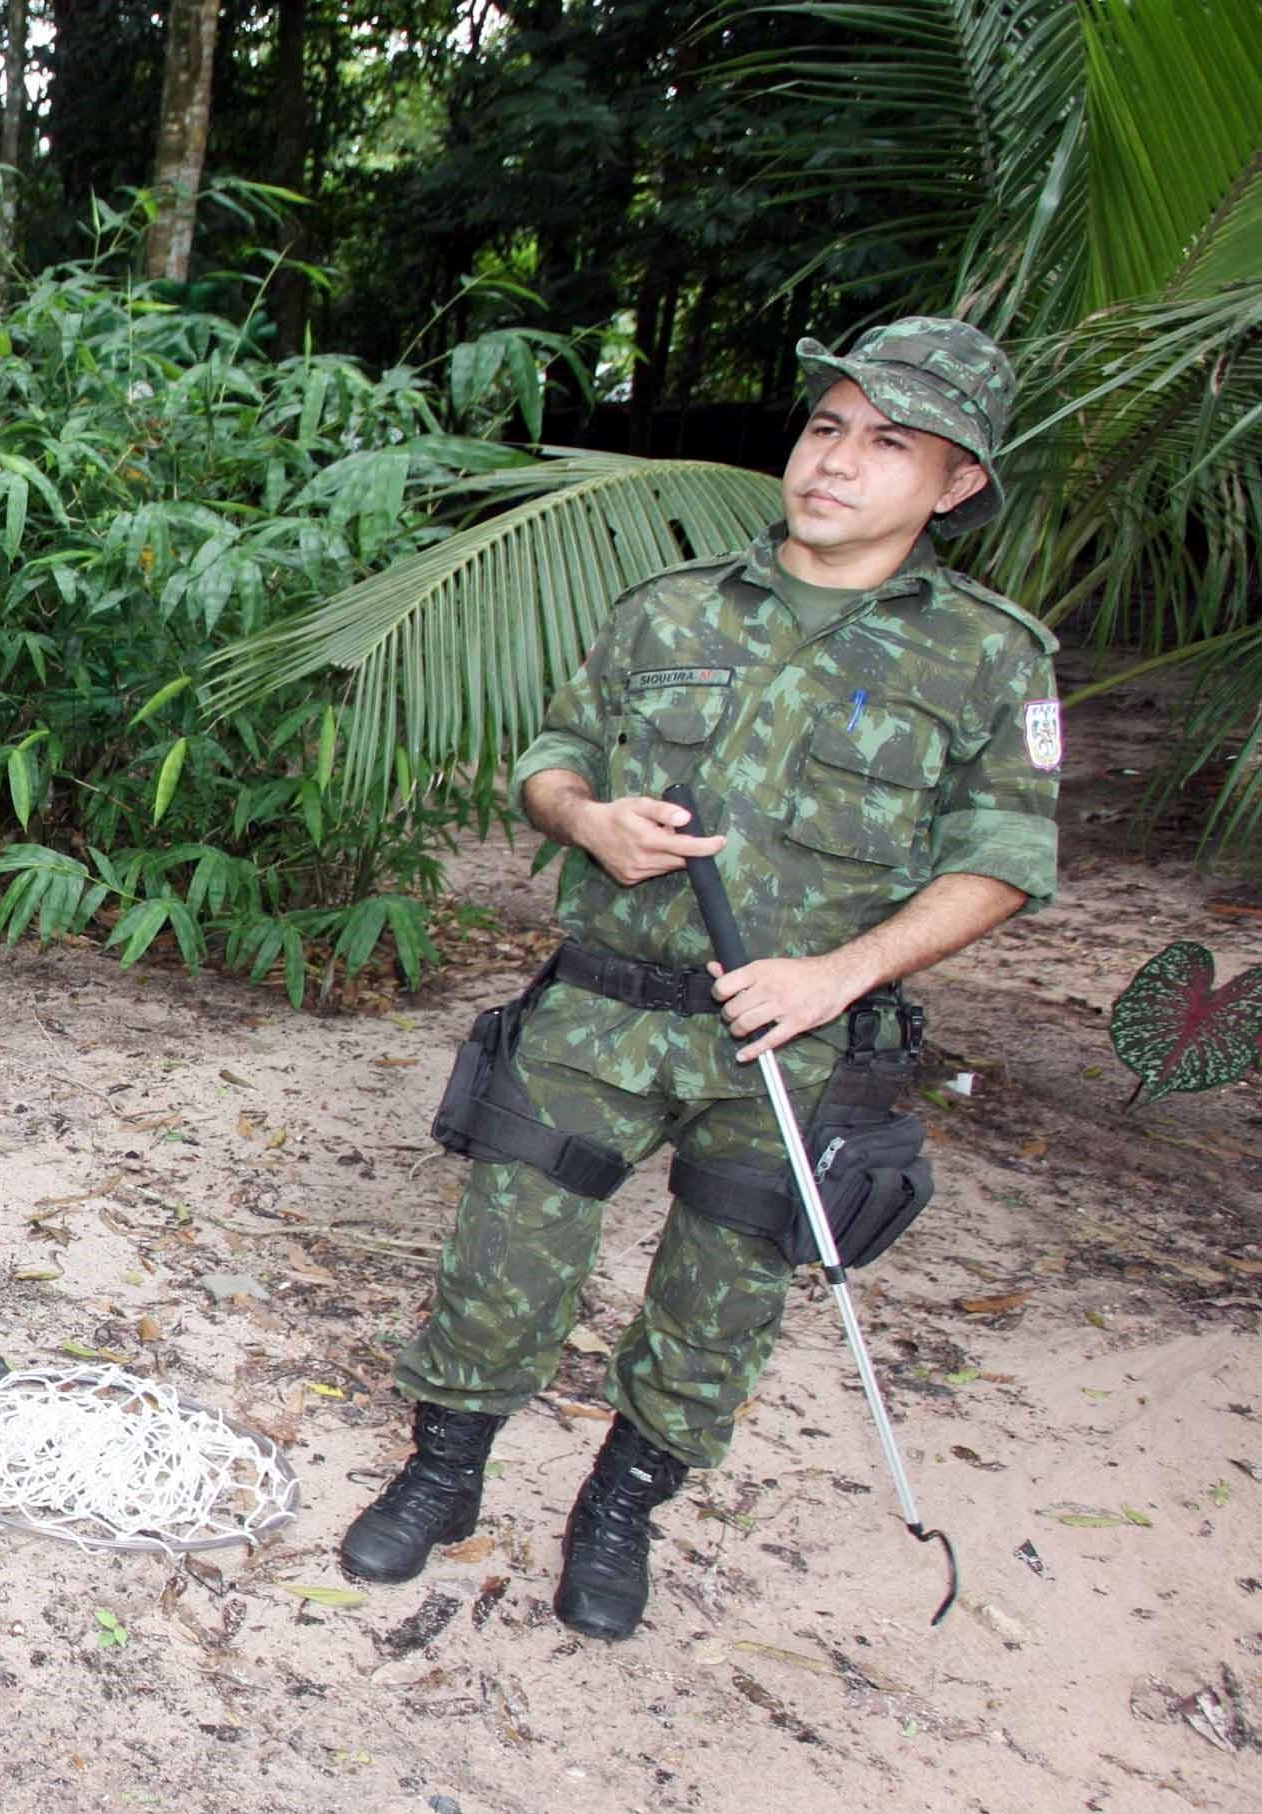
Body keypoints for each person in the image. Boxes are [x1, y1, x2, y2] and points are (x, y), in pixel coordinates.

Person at [344, 317, 1058, 1640]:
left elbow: (1005, 860)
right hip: (599, 1010)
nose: (832, 463)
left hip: (789, 1044)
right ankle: (442, 1474)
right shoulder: (666, 608)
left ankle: (617, 1508)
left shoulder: (989, 658)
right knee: (502, 1245)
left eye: (885, 443)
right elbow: (550, 754)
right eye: (824, 427)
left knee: (719, 1293)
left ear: (953, 484)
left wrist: (840, 973)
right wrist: (582, 817)